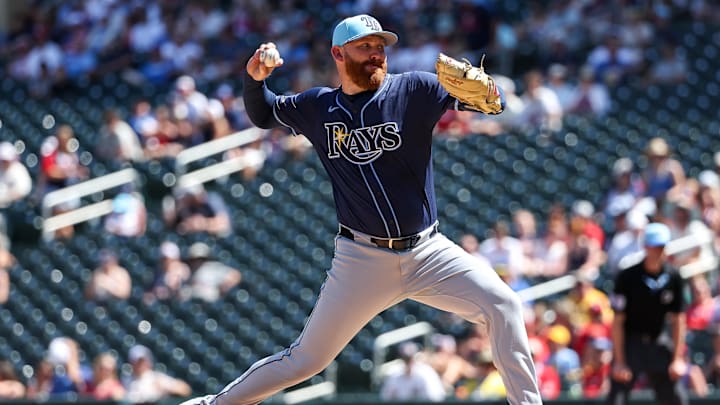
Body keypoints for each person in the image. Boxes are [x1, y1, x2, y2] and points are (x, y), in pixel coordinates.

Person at [180, 13, 541, 405]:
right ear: (338, 53)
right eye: (365, 46)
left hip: (428, 251)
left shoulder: (415, 89)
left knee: (503, 304)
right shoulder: (317, 106)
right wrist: (254, 78)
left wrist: (493, 95)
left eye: (380, 46)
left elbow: (492, 104)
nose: (376, 53)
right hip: (361, 258)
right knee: (306, 360)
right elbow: (263, 113)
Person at [607, 222, 688, 405]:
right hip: (631, 344)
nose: (658, 251)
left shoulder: (674, 277)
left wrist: (677, 359)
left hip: (658, 341)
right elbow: (618, 321)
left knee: (676, 399)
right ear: (645, 246)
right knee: (616, 399)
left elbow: (678, 320)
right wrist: (619, 361)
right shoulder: (627, 277)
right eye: (654, 246)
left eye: (661, 246)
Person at [379, 342, 446, 402]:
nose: (408, 361)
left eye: (410, 358)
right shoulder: (395, 374)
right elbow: (384, 398)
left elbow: (437, 398)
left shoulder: (426, 373)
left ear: (415, 357)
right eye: (405, 358)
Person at [124, 344, 192, 403]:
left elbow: (185, 390)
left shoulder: (155, 377)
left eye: (142, 361)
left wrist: (165, 389)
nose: (140, 365)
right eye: (137, 362)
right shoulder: (126, 379)